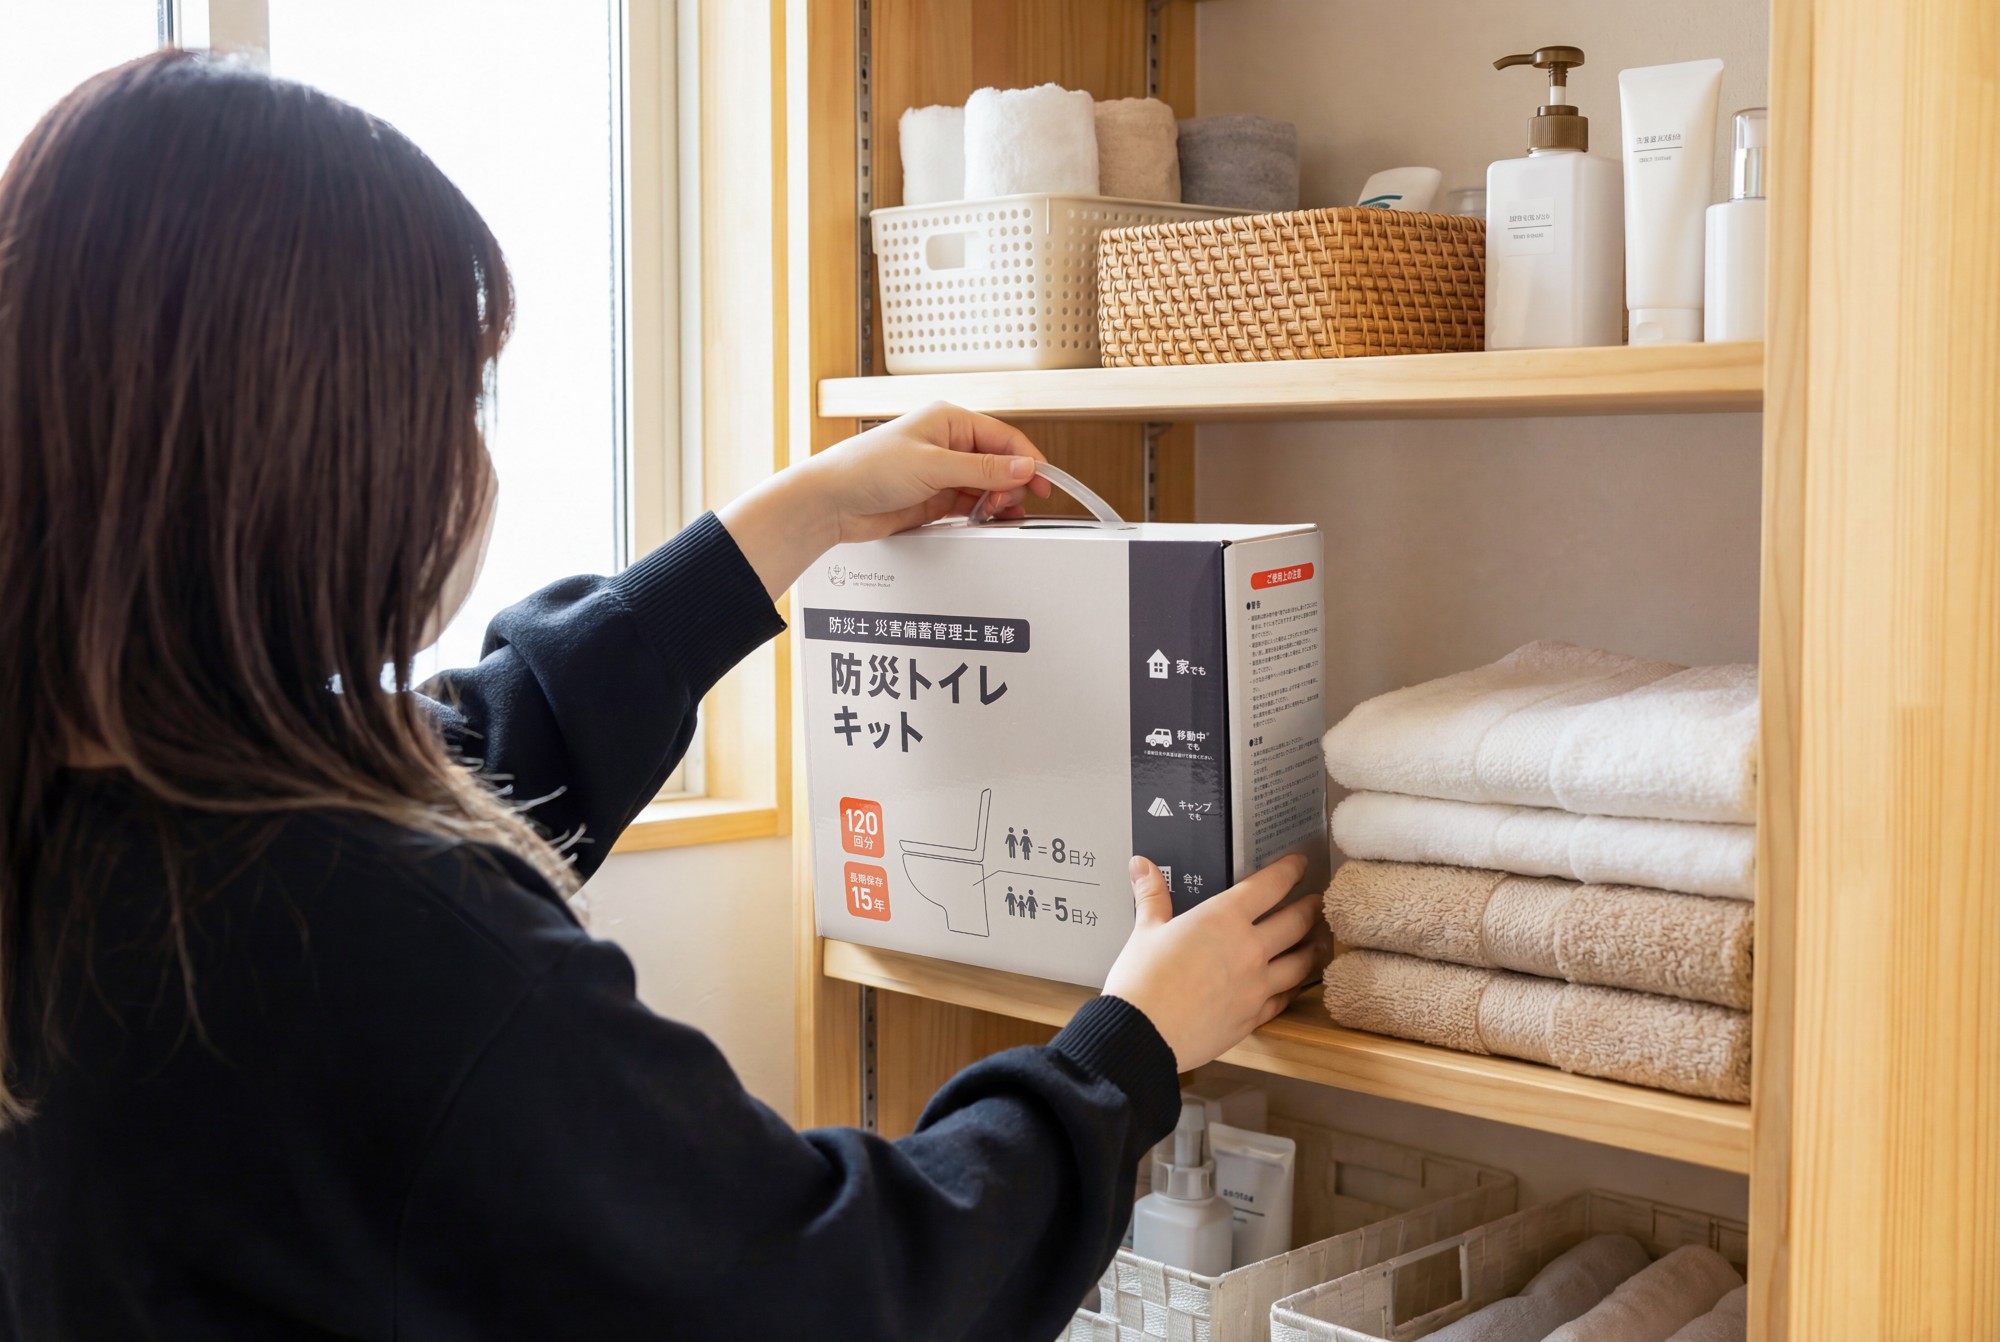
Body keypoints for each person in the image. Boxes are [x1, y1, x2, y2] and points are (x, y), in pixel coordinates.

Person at [0, 51, 1323, 1340]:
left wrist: (796, 517)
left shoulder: (89, 804)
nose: (472, 462)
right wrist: (1129, 1048)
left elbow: (470, 756)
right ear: (333, 456)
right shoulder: (387, 936)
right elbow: (831, 1290)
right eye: (460, 400)